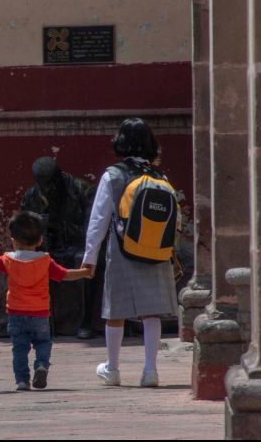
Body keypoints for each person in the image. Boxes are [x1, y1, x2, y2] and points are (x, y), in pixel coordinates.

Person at [80, 118, 180, 388]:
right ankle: (150, 371)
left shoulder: (113, 175)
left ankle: (112, 369)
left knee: (116, 311)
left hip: (122, 249)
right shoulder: (161, 178)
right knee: (152, 312)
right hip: (157, 250)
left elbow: (99, 219)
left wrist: (89, 259)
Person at [0, 211, 91, 391]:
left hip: (16, 314)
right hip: (40, 314)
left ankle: (21, 380)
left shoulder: (9, 260)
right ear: (39, 240)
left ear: (13, 240)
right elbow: (64, 274)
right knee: (43, 343)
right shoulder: (45, 261)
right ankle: (41, 365)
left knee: (19, 348)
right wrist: (85, 272)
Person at [21, 157, 92, 337]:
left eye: (51, 185)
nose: (48, 190)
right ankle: (41, 321)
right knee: (30, 262)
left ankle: (86, 322)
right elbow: (22, 230)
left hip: (76, 244)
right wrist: (38, 227)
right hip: (47, 247)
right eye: (43, 186)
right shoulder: (32, 196)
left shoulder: (81, 190)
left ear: (59, 178)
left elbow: (92, 226)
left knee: (84, 261)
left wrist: (62, 226)